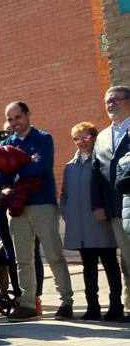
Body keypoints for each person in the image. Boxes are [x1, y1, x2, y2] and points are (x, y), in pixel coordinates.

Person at [0, 101, 73, 321]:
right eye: (10, 119)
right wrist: (20, 168)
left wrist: (13, 171)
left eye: (17, 117)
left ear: (28, 114)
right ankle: (27, 303)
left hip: (42, 203)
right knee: (22, 258)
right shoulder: (7, 142)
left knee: (54, 254)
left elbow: (41, 166)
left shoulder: (44, 138)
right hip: (15, 208)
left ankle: (66, 301)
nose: (14, 123)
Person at [63, 121, 120, 320]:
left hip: (101, 223)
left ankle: (115, 307)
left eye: (85, 137)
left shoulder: (103, 161)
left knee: (111, 265)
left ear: (94, 137)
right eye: (77, 138)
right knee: (89, 269)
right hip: (81, 228)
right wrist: (66, 213)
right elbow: (65, 194)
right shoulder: (70, 167)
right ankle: (93, 308)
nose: (81, 142)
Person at [93, 85, 130, 320]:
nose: (110, 105)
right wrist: (97, 203)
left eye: (115, 100)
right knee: (126, 258)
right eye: (107, 101)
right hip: (116, 209)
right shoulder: (103, 136)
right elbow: (96, 171)